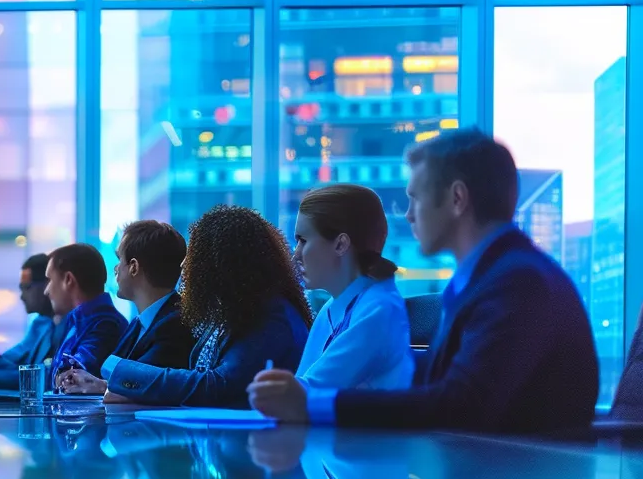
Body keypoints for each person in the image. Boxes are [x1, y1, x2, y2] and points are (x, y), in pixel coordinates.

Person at [250, 130, 599, 432]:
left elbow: (462, 403)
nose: (408, 213)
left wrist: (314, 404)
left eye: (416, 197)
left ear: (457, 199)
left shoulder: (517, 283)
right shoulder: (490, 278)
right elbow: (445, 386)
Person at [94, 204, 312, 409]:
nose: (183, 264)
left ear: (223, 262)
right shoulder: (235, 312)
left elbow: (218, 386)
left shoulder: (270, 316)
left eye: (195, 256)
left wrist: (117, 370)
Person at [286, 184, 414, 391]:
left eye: (303, 240)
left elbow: (305, 394)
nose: (296, 255)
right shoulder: (330, 308)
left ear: (340, 245)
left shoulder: (378, 310)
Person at [58, 220, 197, 395]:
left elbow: (140, 384)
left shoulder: (176, 324)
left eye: (119, 259)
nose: (116, 269)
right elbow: (112, 373)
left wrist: (101, 385)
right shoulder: (140, 323)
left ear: (133, 267)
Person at [0, 253, 67, 390]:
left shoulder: (69, 326)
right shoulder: (40, 324)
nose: (22, 296)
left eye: (27, 288)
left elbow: (44, 378)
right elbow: (12, 358)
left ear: (48, 284)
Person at [41, 242, 127, 377]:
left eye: (50, 280)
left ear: (68, 279)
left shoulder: (106, 325)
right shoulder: (76, 320)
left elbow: (72, 377)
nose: (46, 291)